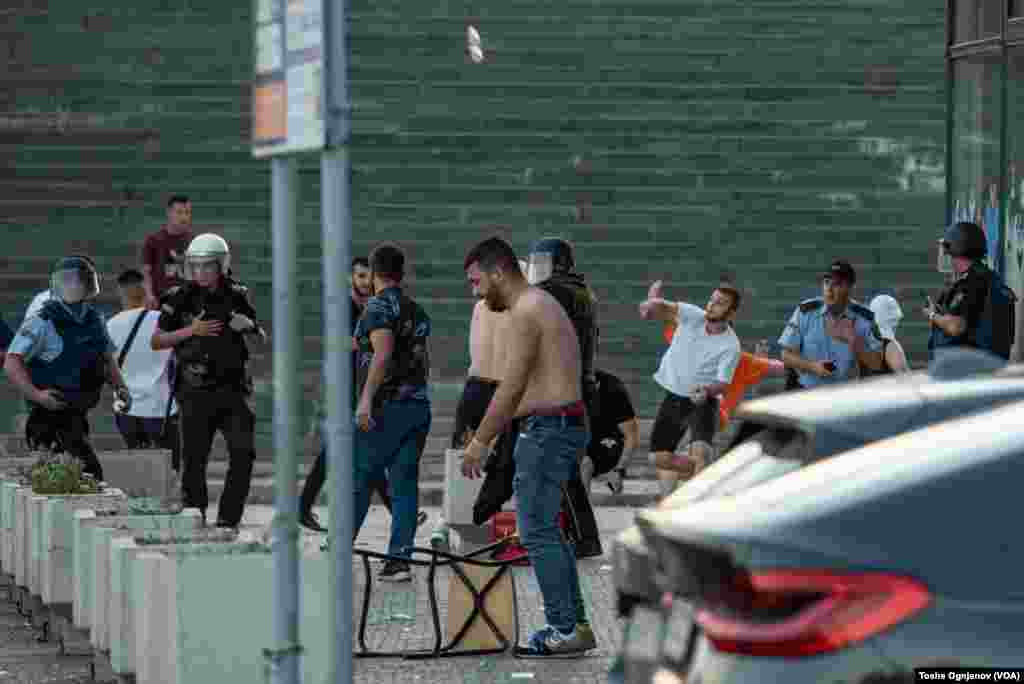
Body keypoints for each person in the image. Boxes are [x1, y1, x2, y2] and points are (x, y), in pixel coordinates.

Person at [461, 236, 597, 658]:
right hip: (558, 425)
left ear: (498, 272)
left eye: (476, 282)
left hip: (549, 429)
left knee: (537, 531)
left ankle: (564, 629)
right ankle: (574, 625)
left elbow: (511, 386)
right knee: (548, 530)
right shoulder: (539, 304)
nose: (476, 293)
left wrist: (480, 442)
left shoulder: (527, 310)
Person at [152, 233, 265, 528]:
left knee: (243, 454)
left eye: (208, 266)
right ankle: (195, 517)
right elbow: (157, 340)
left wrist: (250, 325)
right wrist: (192, 330)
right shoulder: (179, 298)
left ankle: (228, 520)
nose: (201, 272)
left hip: (233, 390)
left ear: (221, 265)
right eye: (196, 266)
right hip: (195, 391)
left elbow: (260, 336)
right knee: (193, 461)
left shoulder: (238, 295)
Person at [4, 256, 131, 480]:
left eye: (79, 280)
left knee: (75, 478)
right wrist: (38, 395)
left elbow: (106, 357)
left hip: (77, 414)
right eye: (68, 280)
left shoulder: (94, 320)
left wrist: (121, 387)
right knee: (87, 474)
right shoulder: (42, 320)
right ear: (57, 284)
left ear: (89, 284)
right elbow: (12, 361)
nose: (74, 286)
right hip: (47, 418)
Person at [351, 244, 432, 582]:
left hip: (388, 408)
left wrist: (365, 400)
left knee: (358, 477)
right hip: (417, 406)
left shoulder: (377, 308)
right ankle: (399, 560)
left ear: (373, 273)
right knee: (404, 484)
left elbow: (382, 354)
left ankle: (339, 550)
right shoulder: (416, 310)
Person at [524, 237, 603, 558]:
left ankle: (579, 538)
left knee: (558, 466)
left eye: (540, 260)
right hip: (582, 385)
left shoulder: (552, 292)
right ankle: (579, 537)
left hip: (559, 388)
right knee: (563, 466)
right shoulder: (584, 292)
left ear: (556, 262)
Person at [639, 281, 742, 494]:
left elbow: (723, 384)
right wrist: (652, 302)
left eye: (720, 303)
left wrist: (706, 391)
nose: (712, 305)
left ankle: (696, 503)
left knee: (701, 453)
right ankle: (703, 472)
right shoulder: (693, 315)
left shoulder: (730, 346)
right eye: (712, 300)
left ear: (731, 314)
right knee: (658, 458)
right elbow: (666, 307)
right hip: (675, 397)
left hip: (703, 402)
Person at [106, 269, 179, 458]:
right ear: (146, 291)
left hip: (126, 411)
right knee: (169, 469)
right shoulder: (162, 322)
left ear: (120, 293)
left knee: (139, 466)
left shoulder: (110, 326)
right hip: (161, 409)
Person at [779, 259, 884, 389]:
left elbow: (877, 364)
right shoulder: (806, 311)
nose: (829, 289)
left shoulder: (864, 318)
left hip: (844, 396)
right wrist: (813, 366)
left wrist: (854, 340)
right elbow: (786, 354)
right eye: (826, 282)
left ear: (850, 287)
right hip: (806, 393)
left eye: (837, 284)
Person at [926, 222, 1004, 359]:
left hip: (966, 369)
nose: (946, 255)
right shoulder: (981, 278)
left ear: (958, 249)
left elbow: (956, 326)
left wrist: (932, 315)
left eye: (948, 250)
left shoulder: (973, 283)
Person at [579, 369, 639, 494]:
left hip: (607, 439)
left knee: (584, 463)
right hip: (577, 437)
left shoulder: (612, 388)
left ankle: (581, 511)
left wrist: (620, 470)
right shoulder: (559, 385)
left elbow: (631, 435)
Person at [141, 195, 194, 310]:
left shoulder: (195, 242)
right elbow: (146, 273)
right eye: (179, 212)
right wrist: (149, 295)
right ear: (169, 213)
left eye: (187, 212)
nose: (184, 217)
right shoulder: (153, 240)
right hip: (160, 303)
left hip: (187, 303)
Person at [868, 294, 910, 374]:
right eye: (895, 320)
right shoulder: (891, 346)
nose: (897, 323)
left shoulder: (865, 342)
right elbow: (907, 381)